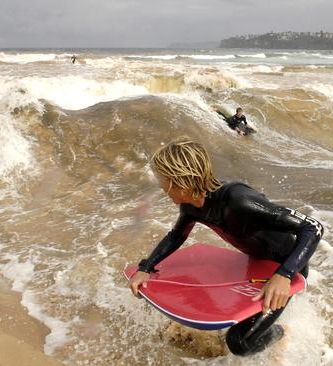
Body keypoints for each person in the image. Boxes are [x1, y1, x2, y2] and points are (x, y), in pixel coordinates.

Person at [128, 138, 323, 356]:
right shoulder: (191, 206)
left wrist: (284, 275)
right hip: (256, 264)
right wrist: (146, 268)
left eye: (162, 180)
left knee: (239, 341)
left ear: (180, 182)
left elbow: (312, 227)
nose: (162, 187)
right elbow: (176, 235)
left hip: (286, 268)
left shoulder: (239, 201)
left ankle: (280, 333)